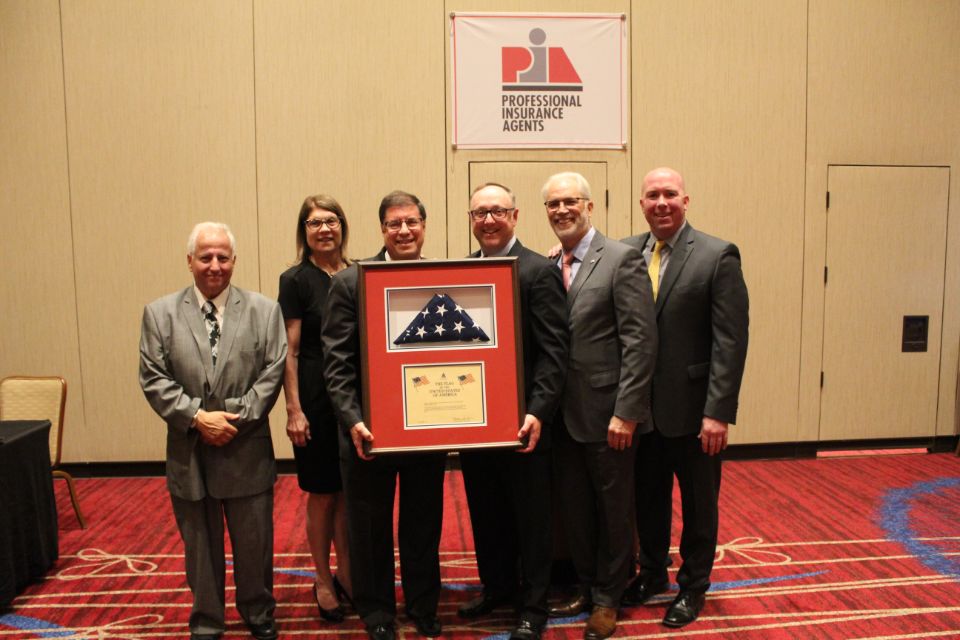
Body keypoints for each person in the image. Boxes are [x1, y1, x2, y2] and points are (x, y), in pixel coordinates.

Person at [139, 222, 286, 640]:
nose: (215, 265)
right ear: (189, 261)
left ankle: (258, 614)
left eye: (223, 257)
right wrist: (197, 417)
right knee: (200, 549)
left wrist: (231, 418)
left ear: (234, 261)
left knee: (254, 543)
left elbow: (272, 373)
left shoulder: (263, 310)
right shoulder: (160, 313)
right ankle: (206, 621)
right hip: (190, 451)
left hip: (246, 446)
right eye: (205, 257)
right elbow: (153, 378)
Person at [621, 167, 749, 628]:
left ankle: (693, 587)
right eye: (652, 195)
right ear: (641, 204)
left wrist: (718, 411)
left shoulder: (717, 256)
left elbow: (730, 342)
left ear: (686, 200)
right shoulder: (625, 252)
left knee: (699, 504)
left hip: (696, 414)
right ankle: (653, 572)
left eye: (669, 194)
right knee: (648, 498)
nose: (661, 203)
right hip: (643, 411)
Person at [322, 191, 447, 640]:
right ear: (382, 230)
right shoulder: (351, 282)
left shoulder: (441, 278)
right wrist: (353, 419)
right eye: (394, 224)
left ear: (424, 225)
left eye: (411, 222)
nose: (404, 231)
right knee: (369, 524)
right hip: (367, 432)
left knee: (423, 522)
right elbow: (336, 363)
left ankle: (423, 605)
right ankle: (376, 611)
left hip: (423, 428)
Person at [542, 173, 657, 640]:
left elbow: (641, 341)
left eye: (570, 201)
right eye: (553, 204)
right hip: (562, 417)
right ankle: (587, 585)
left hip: (610, 414)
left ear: (589, 206)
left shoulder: (622, 259)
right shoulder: (551, 263)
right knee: (574, 508)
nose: (562, 210)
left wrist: (627, 411)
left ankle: (609, 598)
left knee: (613, 510)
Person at [457, 183, 569, 640]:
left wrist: (538, 410)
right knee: (485, 510)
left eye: (497, 211)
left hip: (524, 422)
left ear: (515, 215)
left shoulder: (538, 271)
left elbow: (554, 351)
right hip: (474, 421)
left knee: (531, 517)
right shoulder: (461, 271)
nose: (488, 220)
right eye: (480, 212)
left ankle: (533, 605)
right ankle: (497, 587)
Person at [278, 195, 353, 623]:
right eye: (314, 222)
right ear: (303, 231)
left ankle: (347, 574)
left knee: (348, 492)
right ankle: (322, 580)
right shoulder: (295, 280)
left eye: (331, 220)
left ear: (342, 226)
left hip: (355, 400)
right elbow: (288, 351)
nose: (324, 229)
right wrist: (293, 409)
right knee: (323, 493)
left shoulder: (359, 272)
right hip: (315, 398)